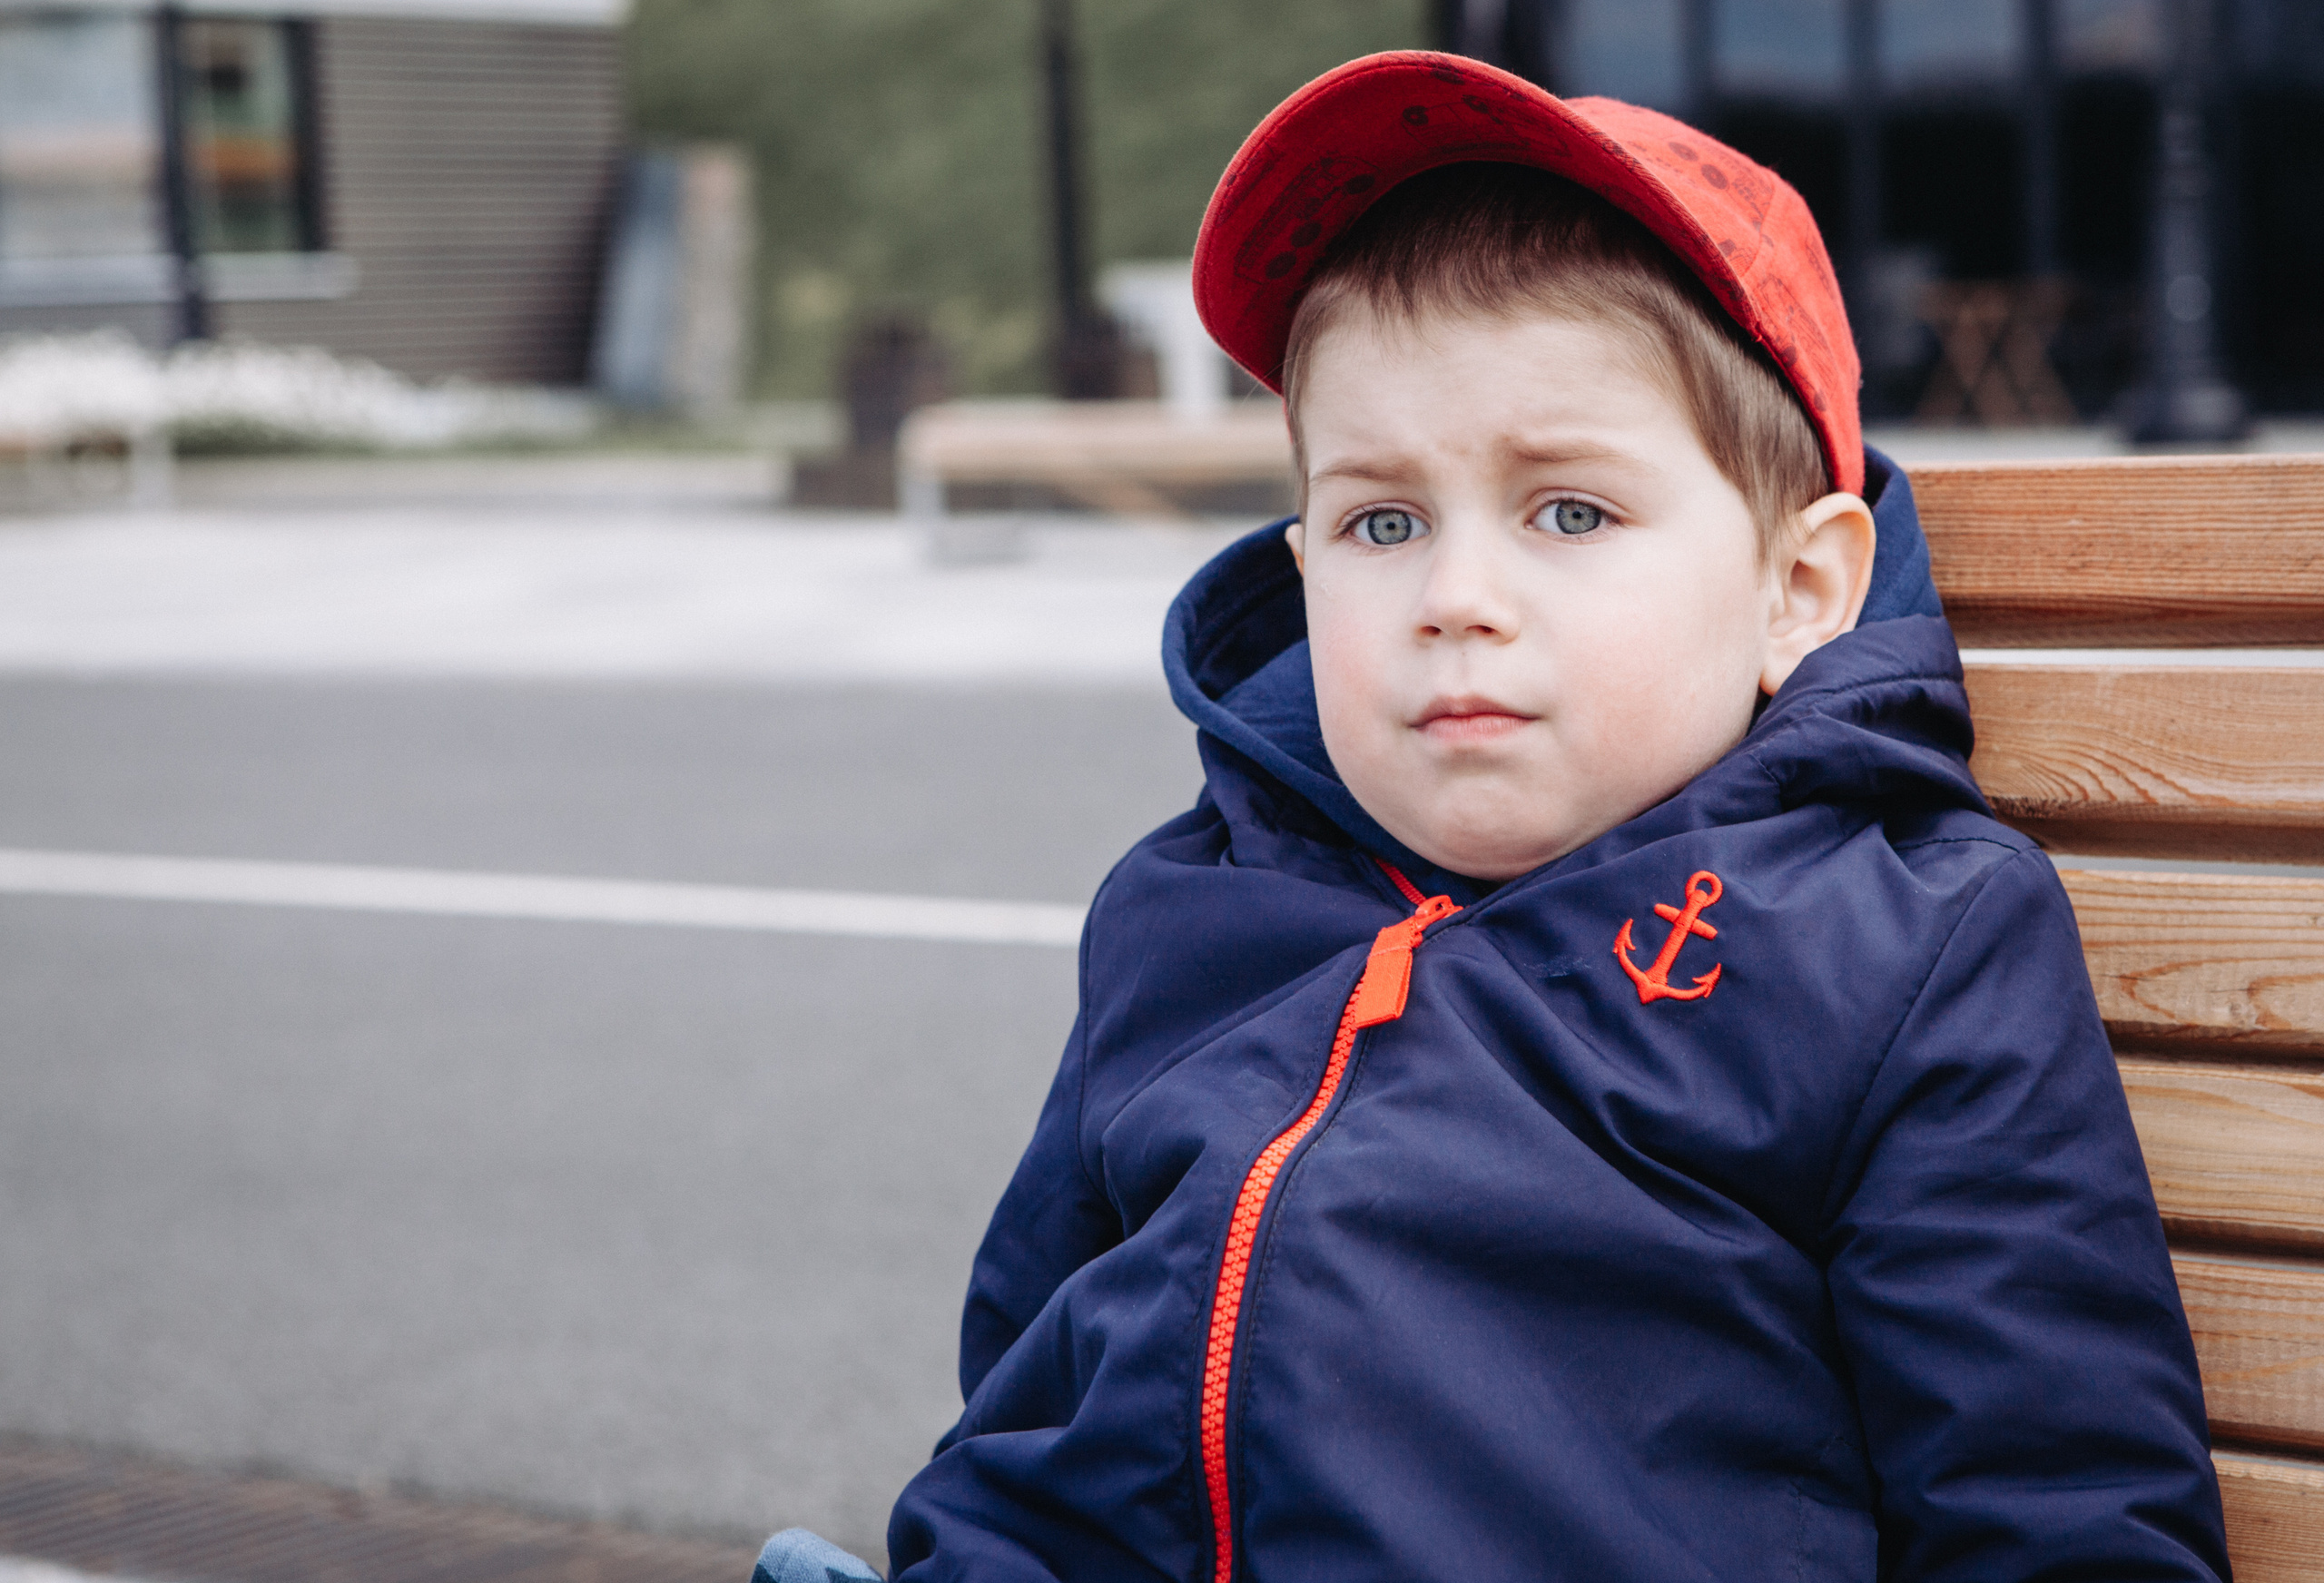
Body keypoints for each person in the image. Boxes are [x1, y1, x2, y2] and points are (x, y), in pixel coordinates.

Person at [767, 50, 2230, 1582]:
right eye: (1382, 521)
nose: (1456, 600)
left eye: (1570, 513)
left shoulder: (1896, 942)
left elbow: (2060, 1502)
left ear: (1798, 590)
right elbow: (1026, 1399)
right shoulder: (1192, 902)